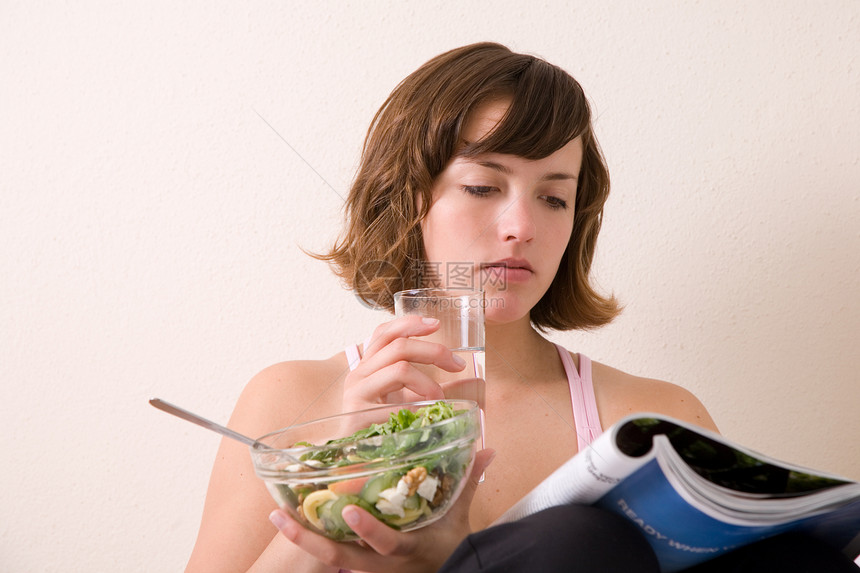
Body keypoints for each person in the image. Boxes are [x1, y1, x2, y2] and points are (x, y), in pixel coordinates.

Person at [184, 43, 857, 573]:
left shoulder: (651, 420)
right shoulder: (295, 399)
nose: (520, 226)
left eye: (554, 197)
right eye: (483, 185)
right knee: (577, 541)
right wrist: (344, 475)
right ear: (410, 199)